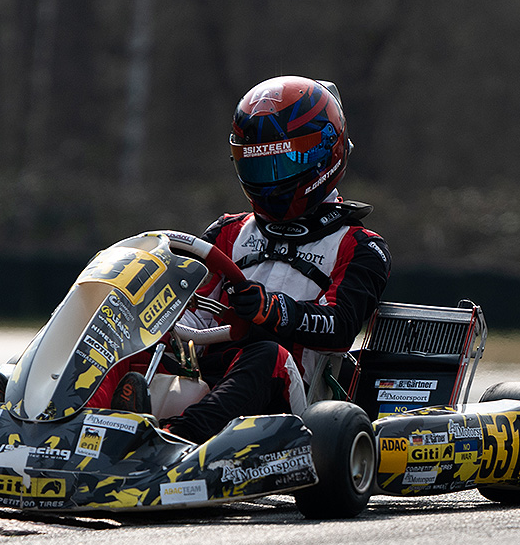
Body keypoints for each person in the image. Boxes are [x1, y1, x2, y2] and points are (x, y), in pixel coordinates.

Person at [158, 75, 391, 442]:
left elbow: (340, 326)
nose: (269, 181)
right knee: (139, 343)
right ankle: (74, 421)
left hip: (301, 406)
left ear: (324, 156)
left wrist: (273, 309)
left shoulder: (358, 245)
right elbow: (191, 310)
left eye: (282, 164)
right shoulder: (228, 232)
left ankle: (178, 439)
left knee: (267, 355)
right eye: (258, 166)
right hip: (213, 378)